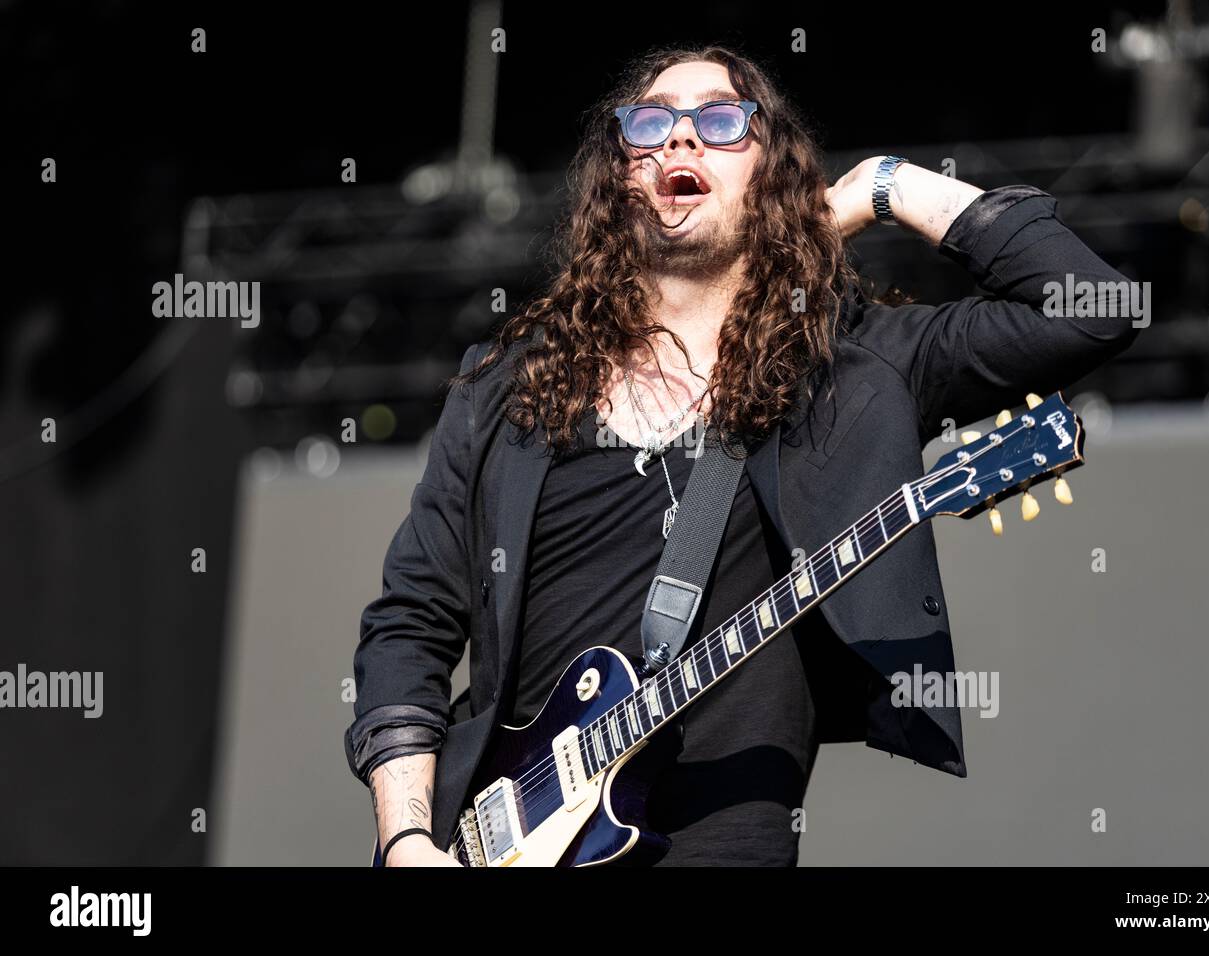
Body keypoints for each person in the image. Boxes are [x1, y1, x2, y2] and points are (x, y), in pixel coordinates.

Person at [344, 44, 1142, 866]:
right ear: (620, 175)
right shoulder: (506, 385)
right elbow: (411, 621)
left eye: (722, 123)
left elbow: (1095, 310)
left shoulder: (849, 370)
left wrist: (885, 186)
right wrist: (406, 837)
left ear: (773, 173)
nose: (681, 141)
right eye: (651, 123)